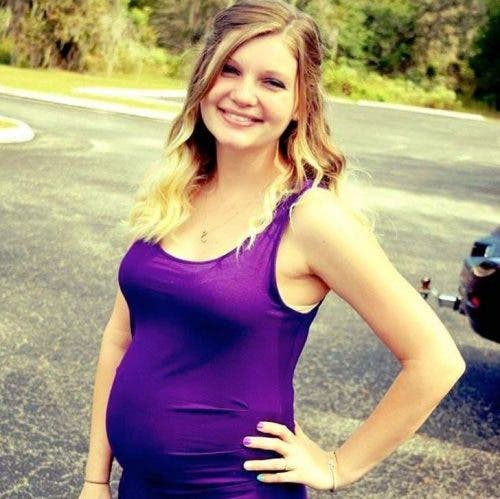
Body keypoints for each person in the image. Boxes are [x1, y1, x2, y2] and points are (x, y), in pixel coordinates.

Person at [79, 1, 466, 497]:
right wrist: (96, 478)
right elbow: (120, 339)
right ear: (204, 77)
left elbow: (435, 359)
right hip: (138, 488)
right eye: (230, 69)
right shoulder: (175, 191)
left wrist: (337, 467)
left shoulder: (311, 217)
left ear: (301, 104)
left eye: (273, 82)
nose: (243, 95)